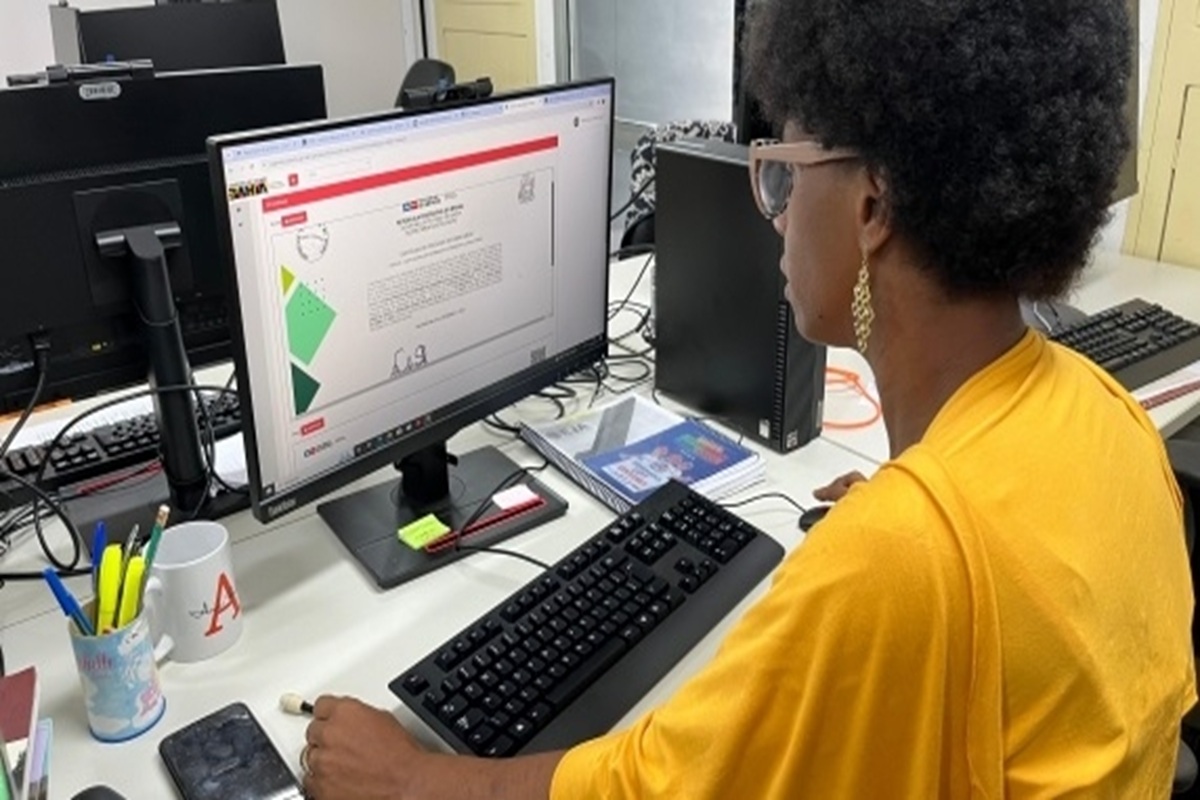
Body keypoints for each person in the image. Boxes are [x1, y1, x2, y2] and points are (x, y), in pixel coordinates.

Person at [300, 0, 1196, 796]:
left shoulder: (896, 564)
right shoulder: (1104, 413)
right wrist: (908, 516)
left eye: (785, 172)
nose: (776, 213)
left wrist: (412, 780)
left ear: (872, 210)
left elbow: (658, 785)